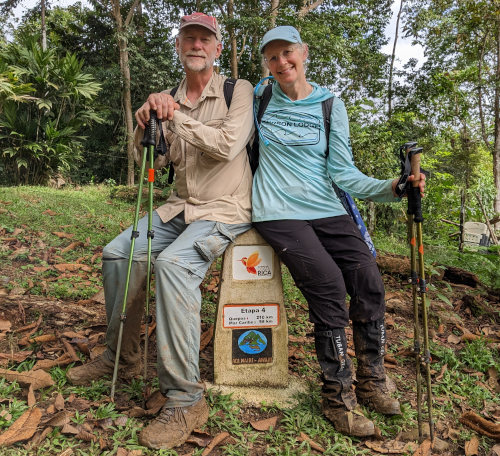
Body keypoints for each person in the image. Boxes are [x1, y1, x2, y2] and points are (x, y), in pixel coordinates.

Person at [66, 13, 254, 450]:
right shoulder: (167, 96)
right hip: (178, 207)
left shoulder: (236, 90)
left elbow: (228, 146)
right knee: (118, 254)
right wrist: (144, 124)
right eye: (189, 37)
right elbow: (155, 163)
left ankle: (186, 398)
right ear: (178, 45)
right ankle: (123, 356)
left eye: (205, 39)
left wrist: (177, 117)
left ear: (217, 48)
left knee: (172, 266)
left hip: (225, 209)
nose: (197, 44)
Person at [252, 26, 425, 438]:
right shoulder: (258, 97)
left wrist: (393, 187)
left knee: (368, 278)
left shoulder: (330, 105)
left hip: (327, 208)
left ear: (304, 52)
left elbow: (343, 173)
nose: (282, 63)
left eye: (288, 53)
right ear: (266, 64)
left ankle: (372, 378)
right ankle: (337, 396)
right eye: (272, 57)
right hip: (276, 210)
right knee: (328, 284)